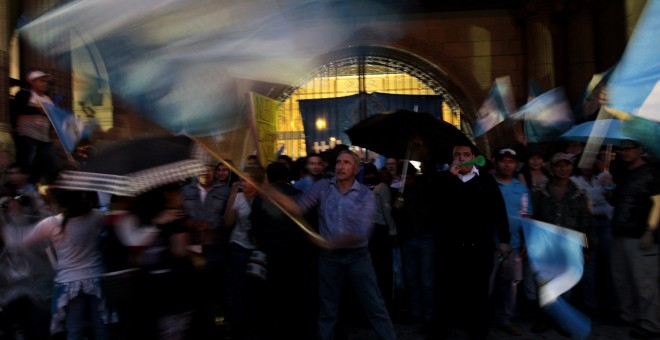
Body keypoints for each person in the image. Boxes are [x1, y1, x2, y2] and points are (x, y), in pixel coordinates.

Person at [267, 150, 397, 340]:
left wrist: (329, 242)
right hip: (330, 259)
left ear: (356, 169)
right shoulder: (323, 187)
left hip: (358, 258)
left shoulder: (364, 195)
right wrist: (275, 193)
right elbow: (298, 206)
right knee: (327, 310)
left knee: (374, 306)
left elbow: (360, 233)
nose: (340, 166)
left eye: (346, 163)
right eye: (338, 162)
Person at [431, 143, 511, 339]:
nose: (461, 158)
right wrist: (450, 177)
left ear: (473, 156)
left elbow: (499, 211)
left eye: (466, 154)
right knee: (446, 289)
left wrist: (504, 239)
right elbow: (435, 204)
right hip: (450, 247)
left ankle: (479, 329)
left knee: (478, 290)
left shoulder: (485, 180)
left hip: (479, 247)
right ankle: (442, 329)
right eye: (457, 154)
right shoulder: (443, 179)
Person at [21, 188, 111, 340]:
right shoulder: (96, 215)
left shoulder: (52, 223)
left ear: (58, 203)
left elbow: (21, 240)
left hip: (69, 283)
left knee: (75, 329)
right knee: (101, 327)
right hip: (96, 279)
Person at [249, 162, 317, 339]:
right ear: (287, 177)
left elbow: (255, 227)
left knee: (272, 302)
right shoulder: (300, 196)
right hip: (296, 258)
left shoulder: (261, 198)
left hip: (271, 258)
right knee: (294, 302)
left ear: (269, 178)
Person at [530, 152, 593, 333]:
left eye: (567, 165)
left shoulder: (580, 192)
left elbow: (587, 222)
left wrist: (587, 248)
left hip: (570, 247)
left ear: (572, 167)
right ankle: (543, 319)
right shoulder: (539, 190)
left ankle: (563, 322)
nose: (563, 168)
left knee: (566, 286)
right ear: (551, 167)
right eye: (559, 165)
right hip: (545, 245)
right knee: (544, 285)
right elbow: (532, 216)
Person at [609, 139, 660, 339]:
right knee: (622, 280)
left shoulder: (653, 171)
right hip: (620, 233)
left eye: (628, 148)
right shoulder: (622, 172)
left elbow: (659, 204)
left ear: (640, 150)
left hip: (641, 236)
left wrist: (650, 230)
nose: (624, 152)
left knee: (645, 282)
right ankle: (628, 315)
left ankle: (651, 324)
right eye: (621, 149)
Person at [180, 161, 232, 337]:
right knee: (195, 289)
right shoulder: (186, 191)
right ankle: (198, 326)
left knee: (216, 289)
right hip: (192, 246)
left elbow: (228, 217)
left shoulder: (224, 191)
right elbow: (180, 213)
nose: (206, 173)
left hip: (215, 245)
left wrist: (212, 226)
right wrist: (191, 224)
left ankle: (217, 324)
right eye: (202, 169)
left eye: (209, 169)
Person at [489, 147, 533, 336]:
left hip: (514, 246)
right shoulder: (486, 184)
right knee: (486, 285)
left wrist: (526, 240)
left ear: (516, 165)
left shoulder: (521, 188)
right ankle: (482, 321)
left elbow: (526, 215)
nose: (507, 164)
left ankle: (505, 319)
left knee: (510, 285)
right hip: (489, 245)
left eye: (511, 161)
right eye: (503, 160)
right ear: (495, 163)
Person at [224, 166, 265, 339]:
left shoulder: (263, 198)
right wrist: (232, 196)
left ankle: (255, 321)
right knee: (239, 285)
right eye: (242, 179)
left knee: (256, 286)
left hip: (257, 248)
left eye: (247, 180)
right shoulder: (238, 197)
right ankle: (238, 323)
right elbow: (227, 223)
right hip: (239, 244)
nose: (243, 183)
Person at [12, 71, 59, 184]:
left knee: (51, 162)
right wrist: (38, 110)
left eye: (46, 82)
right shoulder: (24, 94)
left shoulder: (48, 99)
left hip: (44, 137)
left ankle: (45, 186)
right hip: (28, 134)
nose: (45, 84)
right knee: (28, 161)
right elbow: (19, 109)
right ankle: (24, 186)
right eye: (41, 81)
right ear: (32, 82)